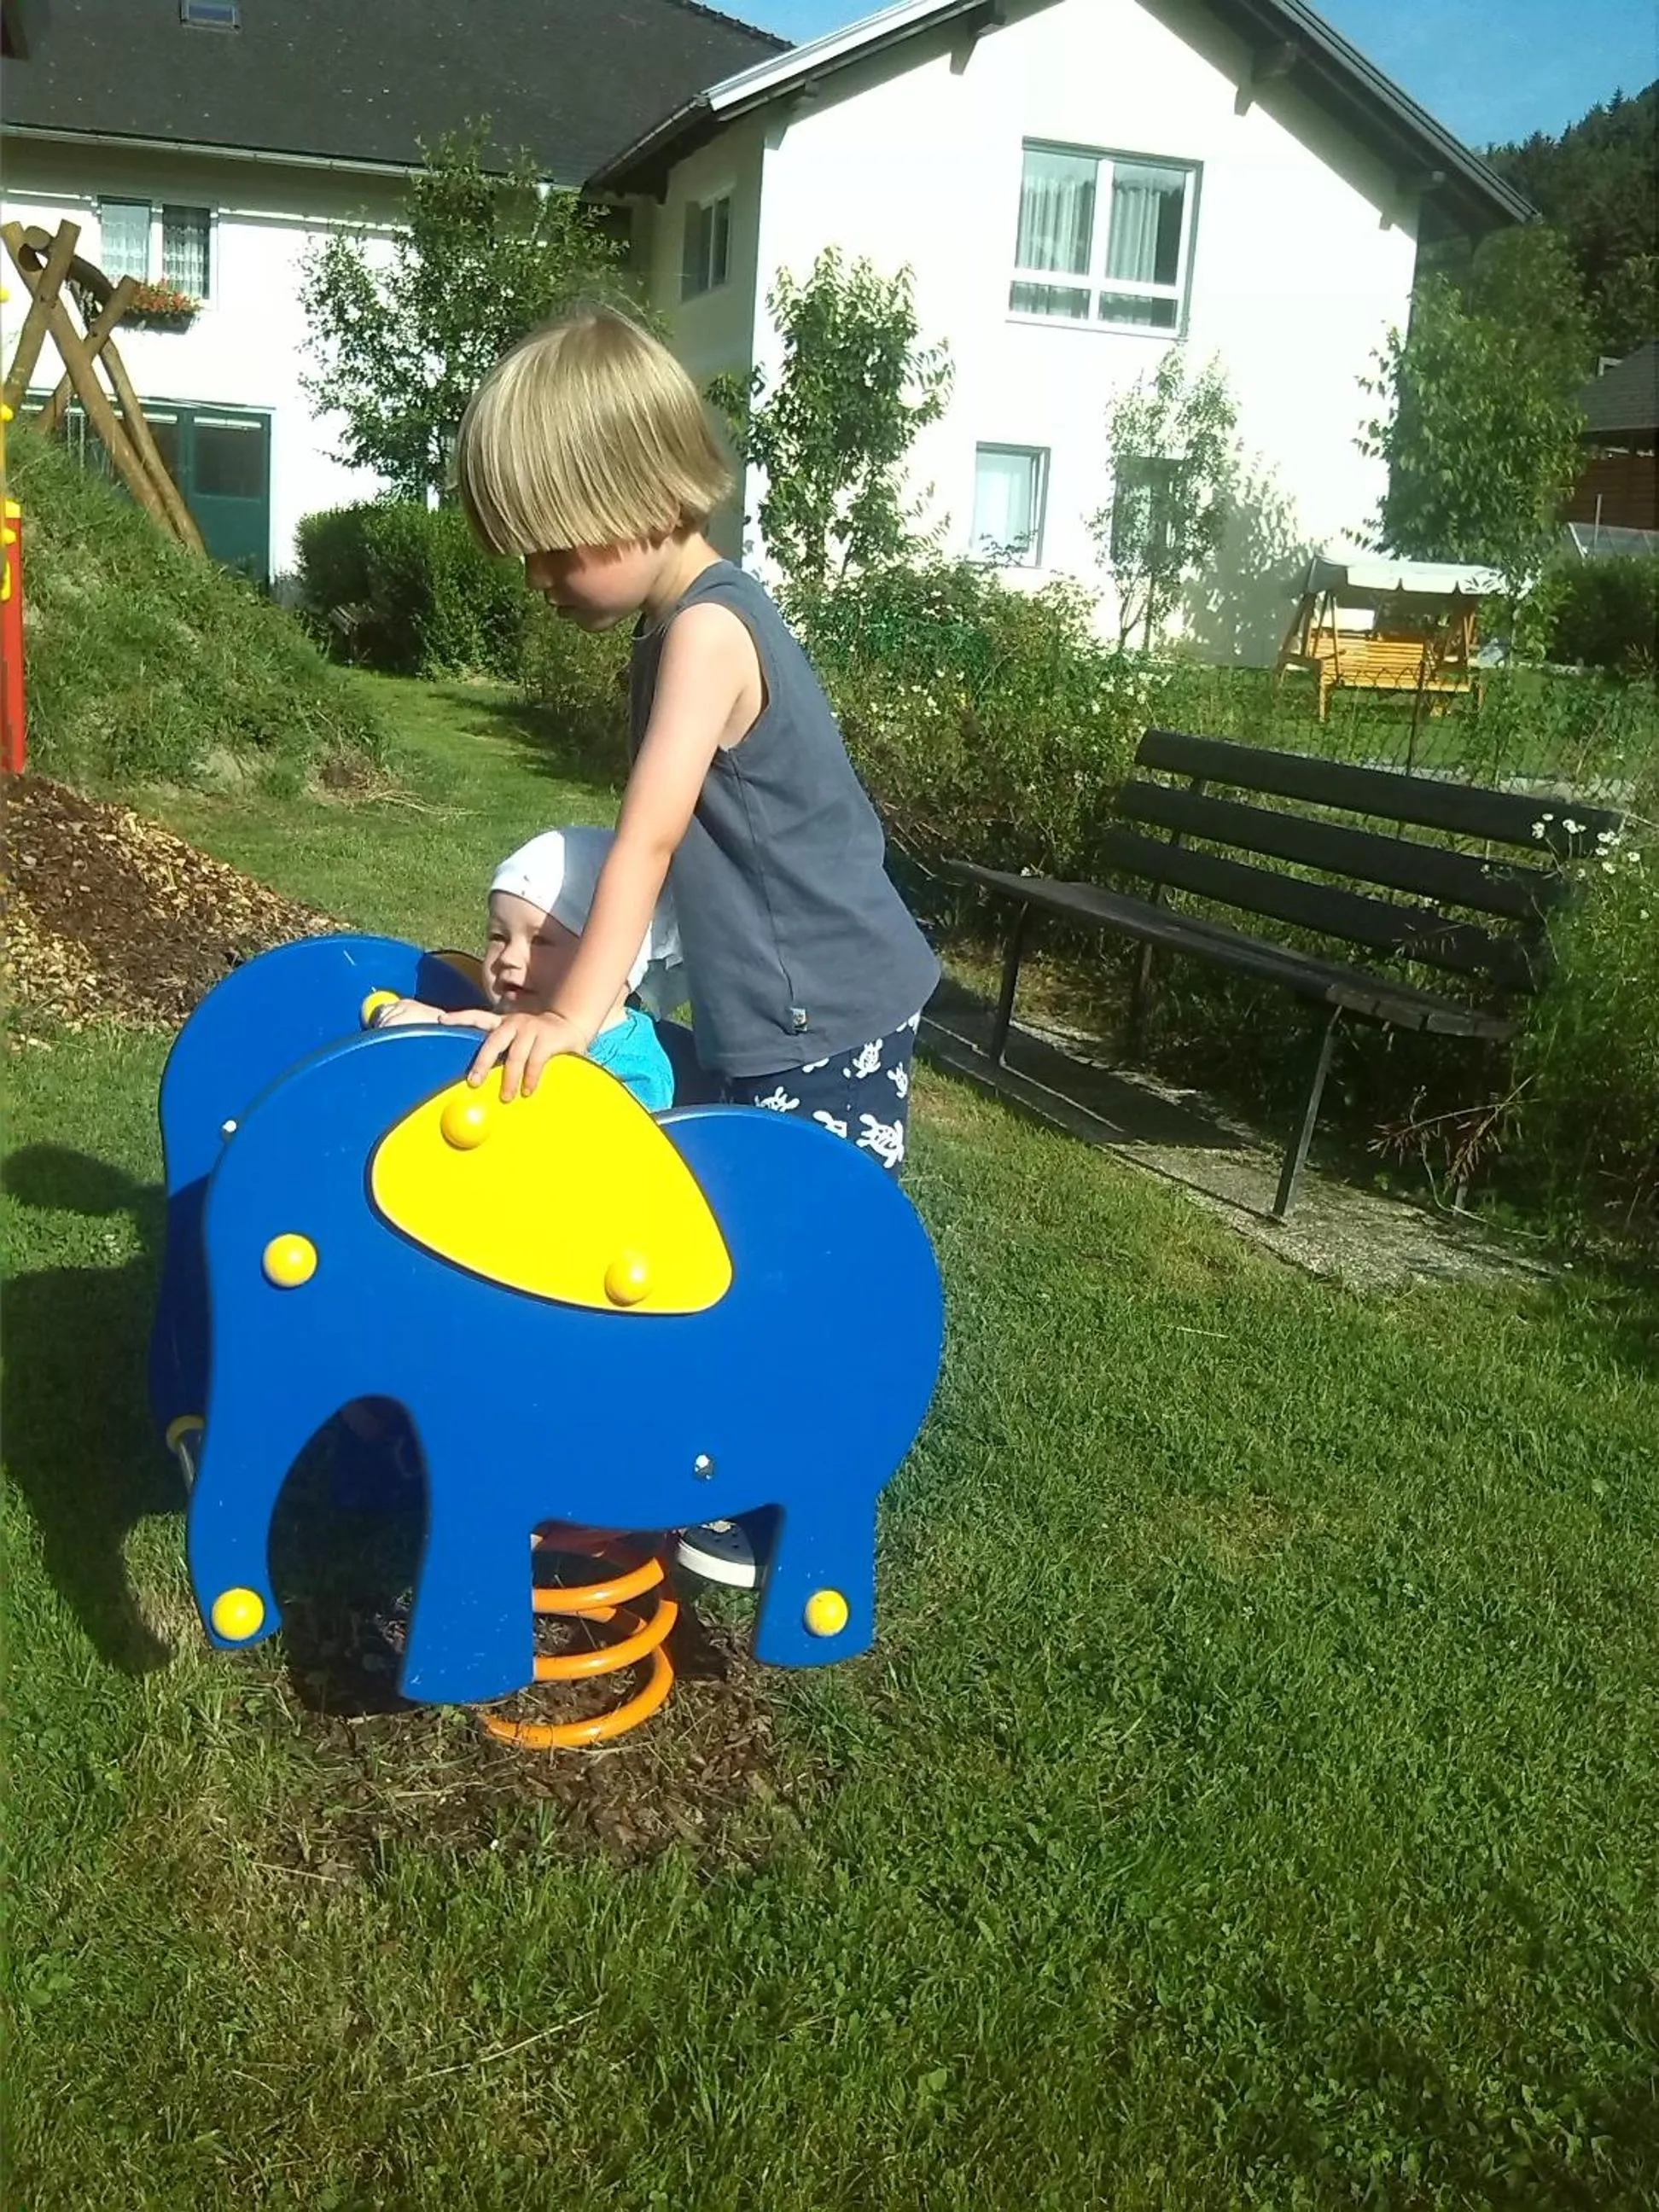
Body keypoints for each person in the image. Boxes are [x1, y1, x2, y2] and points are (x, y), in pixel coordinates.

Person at [450, 302, 940, 1178]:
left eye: (553, 546)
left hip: (819, 1011)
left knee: (793, 1231)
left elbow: (651, 839)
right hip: (776, 1003)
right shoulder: (678, 621)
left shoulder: (706, 632)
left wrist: (572, 1020)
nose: (536, 576)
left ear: (648, 497)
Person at [375, 824, 679, 1113]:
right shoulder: (503, 1015)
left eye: (540, 941)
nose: (509, 957)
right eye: (498, 936)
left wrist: (446, 1031)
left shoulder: (637, 1068)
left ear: (606, 959)